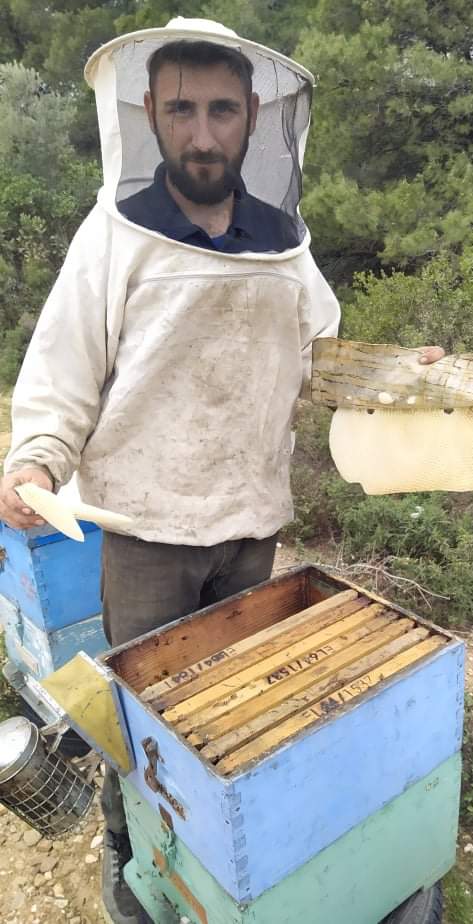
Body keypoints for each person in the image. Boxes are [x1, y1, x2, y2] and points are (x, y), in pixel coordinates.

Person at [0, 18, 444, 924]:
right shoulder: (114, 236)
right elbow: (59, 374)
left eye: (221, 111)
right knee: (143, 719)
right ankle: (138, 870)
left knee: (230, 723)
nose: (202, 133)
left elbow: (323, 359)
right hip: (147, 530)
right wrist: (35, 460)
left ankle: (220, 869)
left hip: (249, 524)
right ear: (150, 120)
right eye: (181, 110)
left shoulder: (283, 242)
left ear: (252, 121)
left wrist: (404, 378)